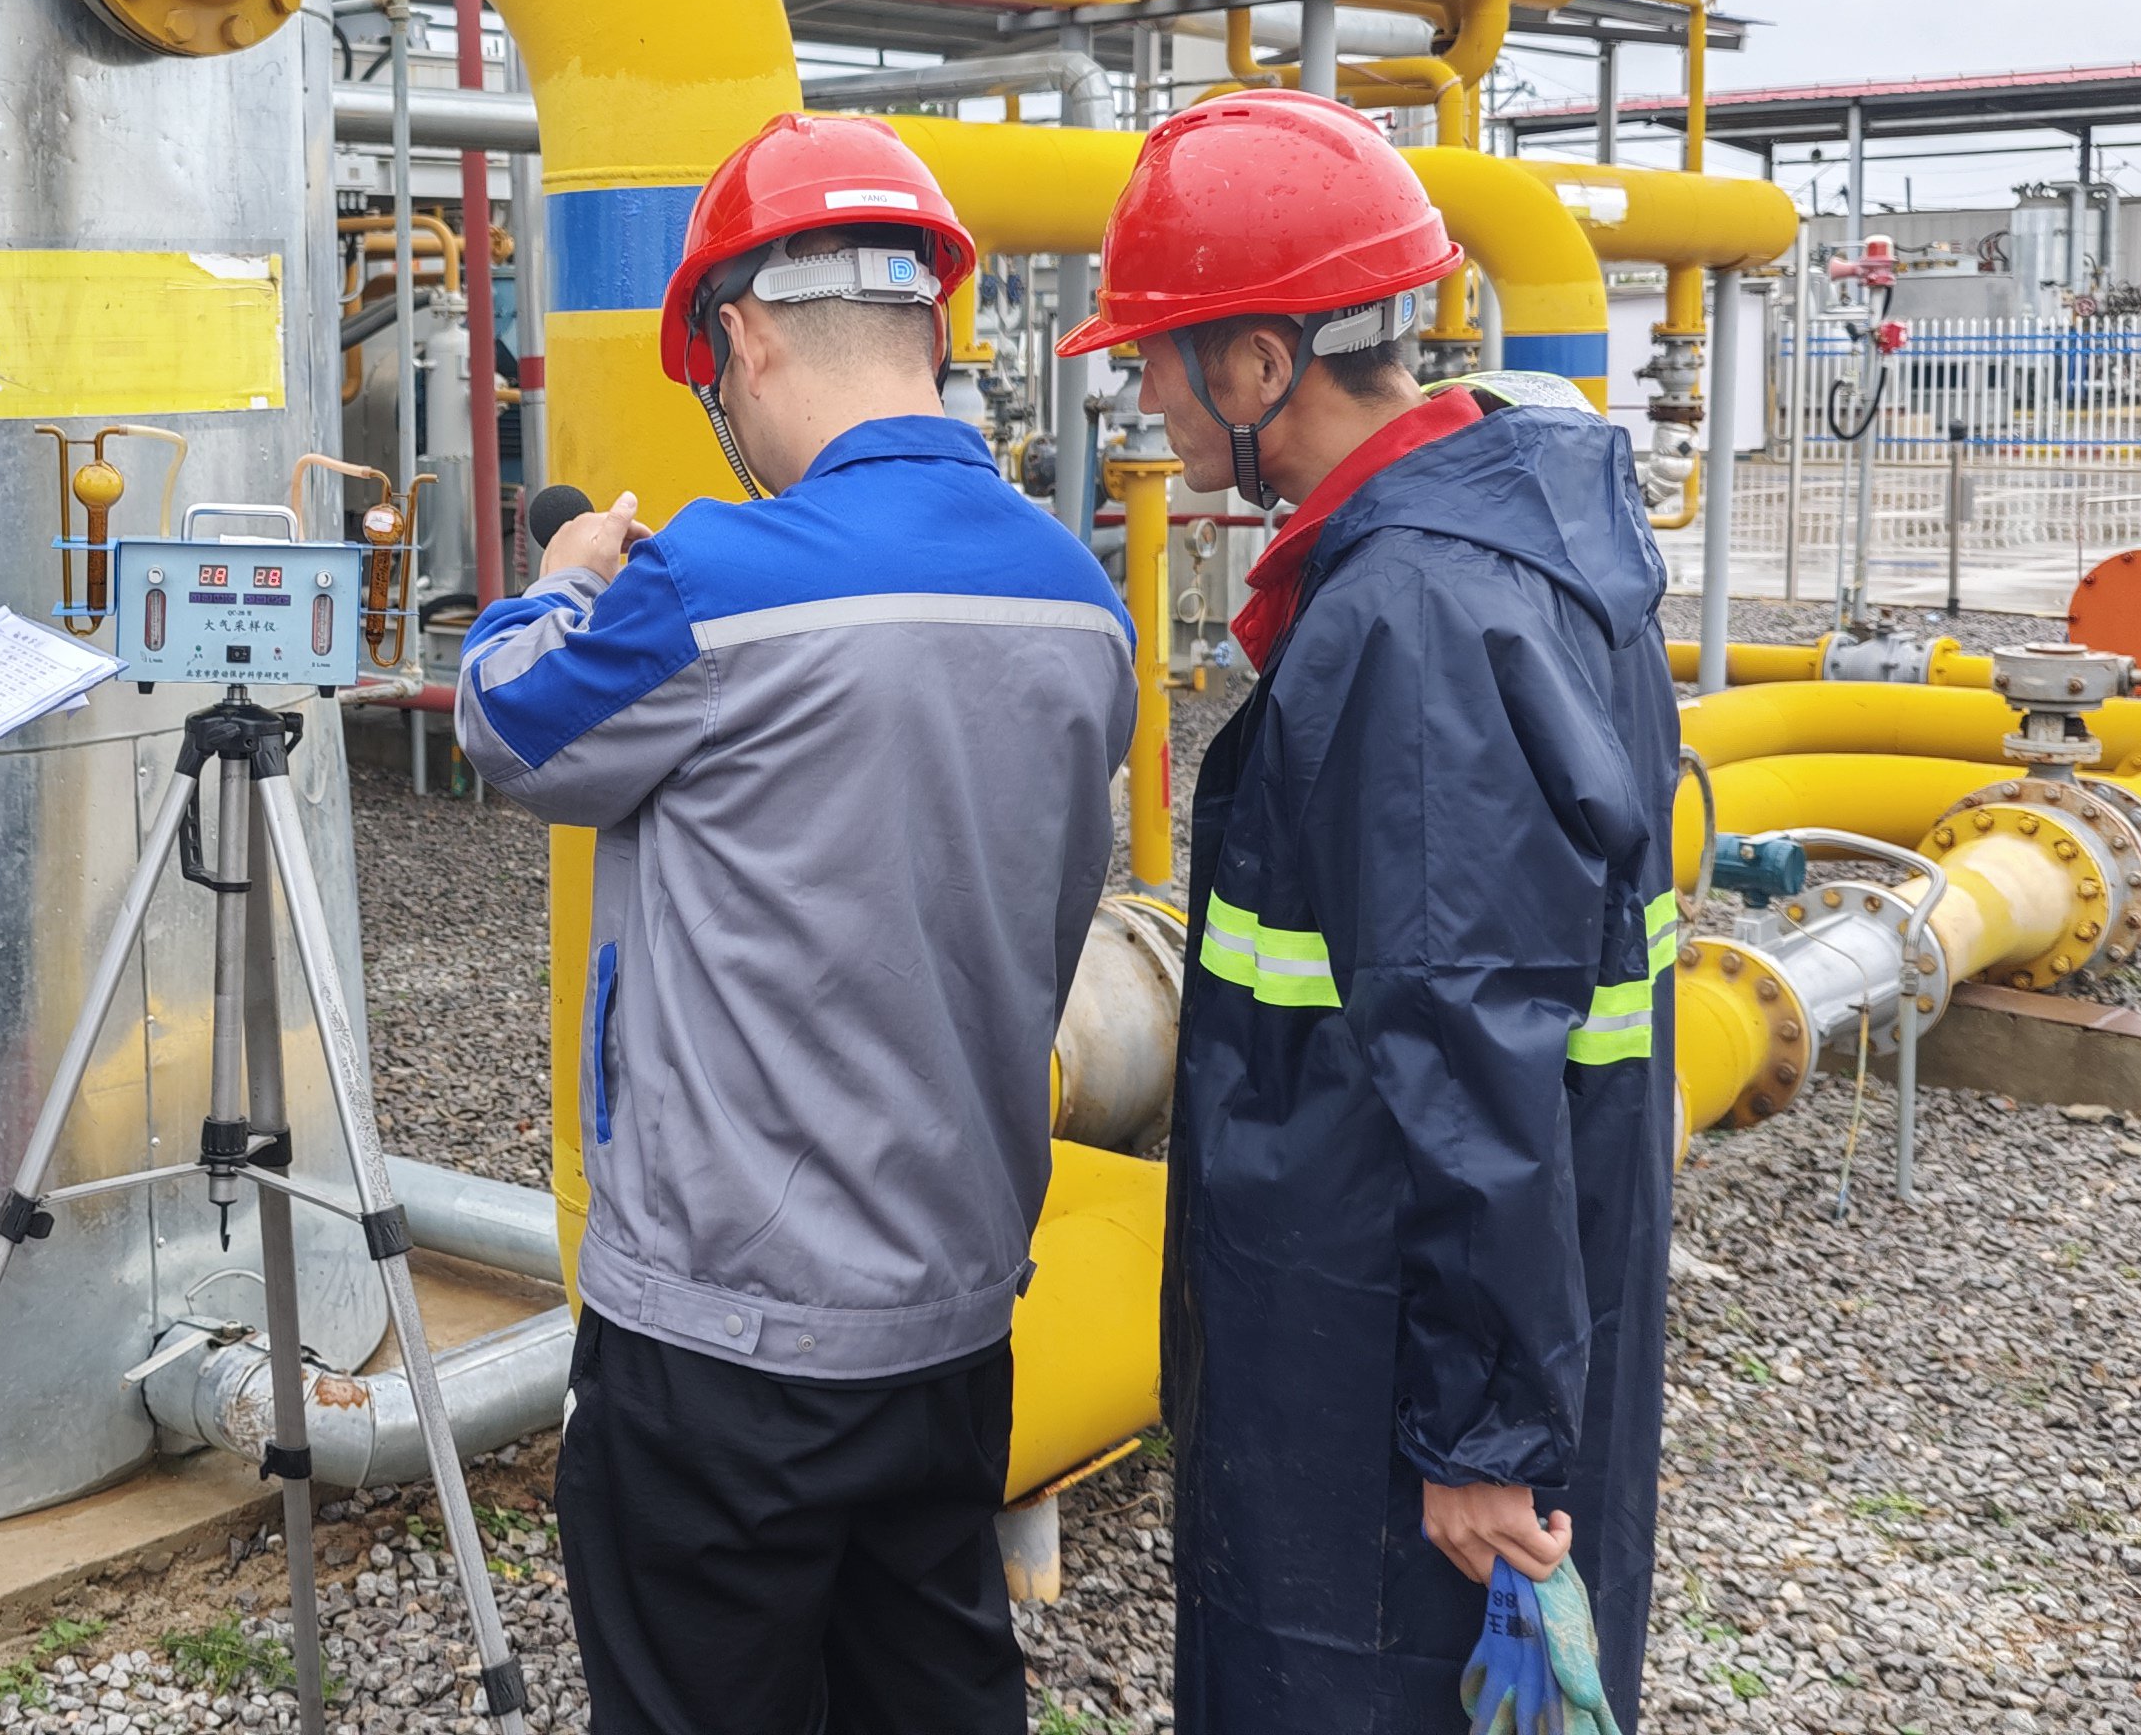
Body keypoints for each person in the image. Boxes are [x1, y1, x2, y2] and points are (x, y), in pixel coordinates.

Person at [453, 113, 1136, 1735]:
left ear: (745, 336)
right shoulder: (1081, 598)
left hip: (723, 1334)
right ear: (933, 325)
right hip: (953, 1309)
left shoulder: (710, 581)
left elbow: (506, 724)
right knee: (925, 1686)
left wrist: (566, 579)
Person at [1058, 87, 1677, 1732]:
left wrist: (1484, 1439)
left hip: (1381, 1374)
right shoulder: (1512, 542)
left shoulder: (1411, 618)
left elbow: (1469, 1044)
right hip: (1438, 1323)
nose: (1145, 400)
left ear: (1261, 365)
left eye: (1158, 359)